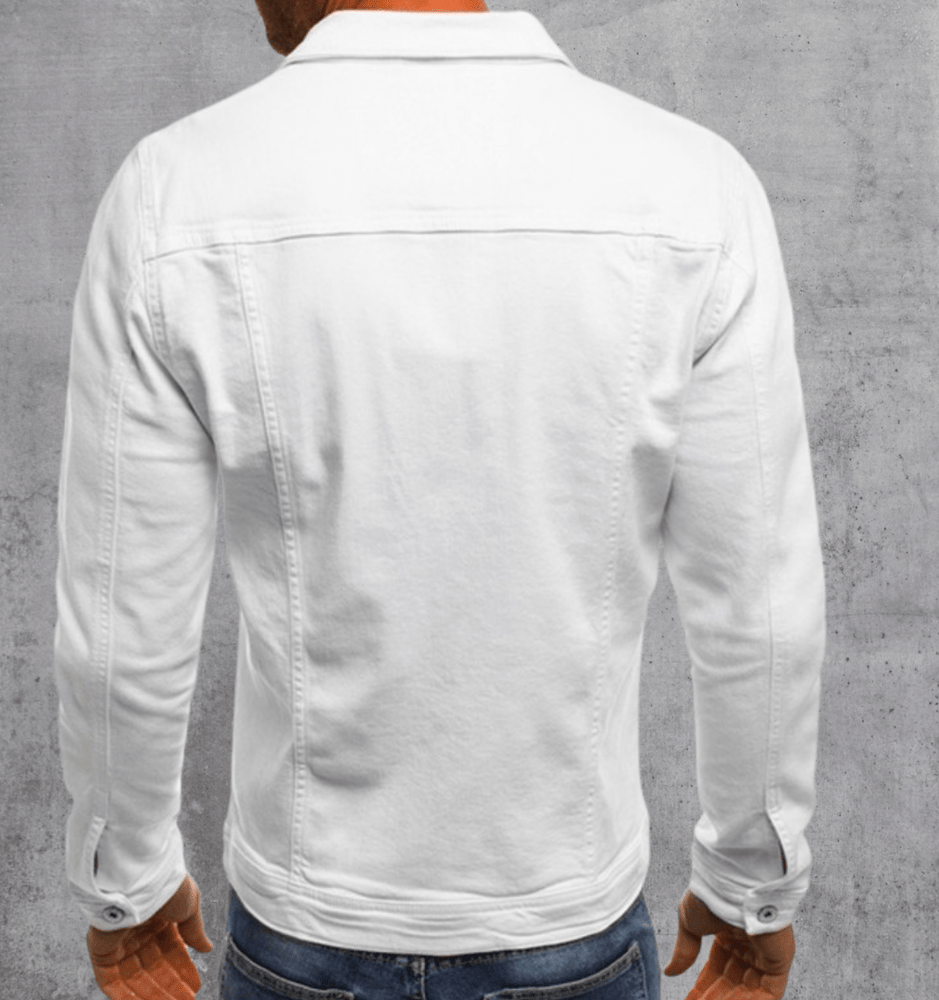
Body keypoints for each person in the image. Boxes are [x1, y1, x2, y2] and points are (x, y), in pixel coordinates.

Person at [53, 0, 825, 997]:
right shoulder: (693, 191)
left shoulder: (176, 194)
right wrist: (752, 886)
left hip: (306, 925)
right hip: (568, 925)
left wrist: (126, 881)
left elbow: (123, 624)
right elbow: (760, 610)